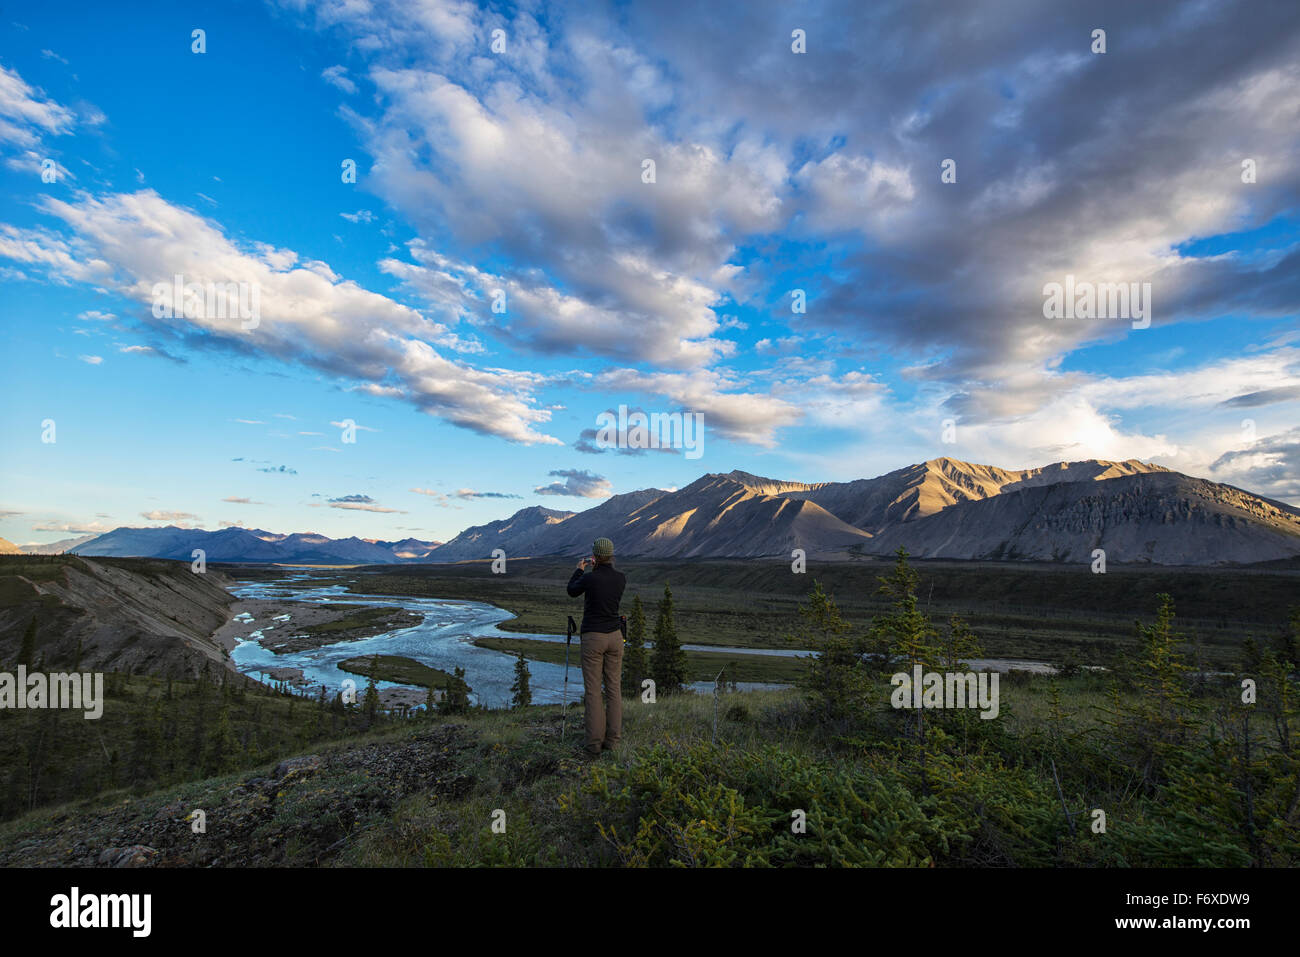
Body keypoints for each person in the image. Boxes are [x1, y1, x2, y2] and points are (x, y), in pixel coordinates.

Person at [566, 537, 626, 757]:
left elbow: (571, 590)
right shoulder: (621, 579)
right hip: (615, 637)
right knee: (613, 689)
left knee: (593, 692)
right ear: (611, 555)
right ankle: (613, 741)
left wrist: (579, 570)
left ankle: (593, 744)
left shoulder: (589, 579)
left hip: (593, 637)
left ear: (594, 557)